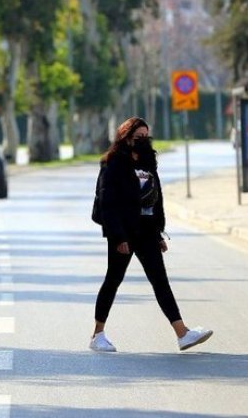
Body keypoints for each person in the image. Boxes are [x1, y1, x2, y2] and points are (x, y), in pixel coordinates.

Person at [91, 117, 213, 352]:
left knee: (160, 281)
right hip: (124, 232)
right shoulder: (113, 163)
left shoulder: (148, 161)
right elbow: (108, 203)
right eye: (138, 138)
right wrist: (118, 237)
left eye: (146, 137)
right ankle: (98, 335)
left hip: (146, 230)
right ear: (126, 138)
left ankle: (182, 334)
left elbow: (156, 199)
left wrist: (158, 233)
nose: (143, 141)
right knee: (113, 280)